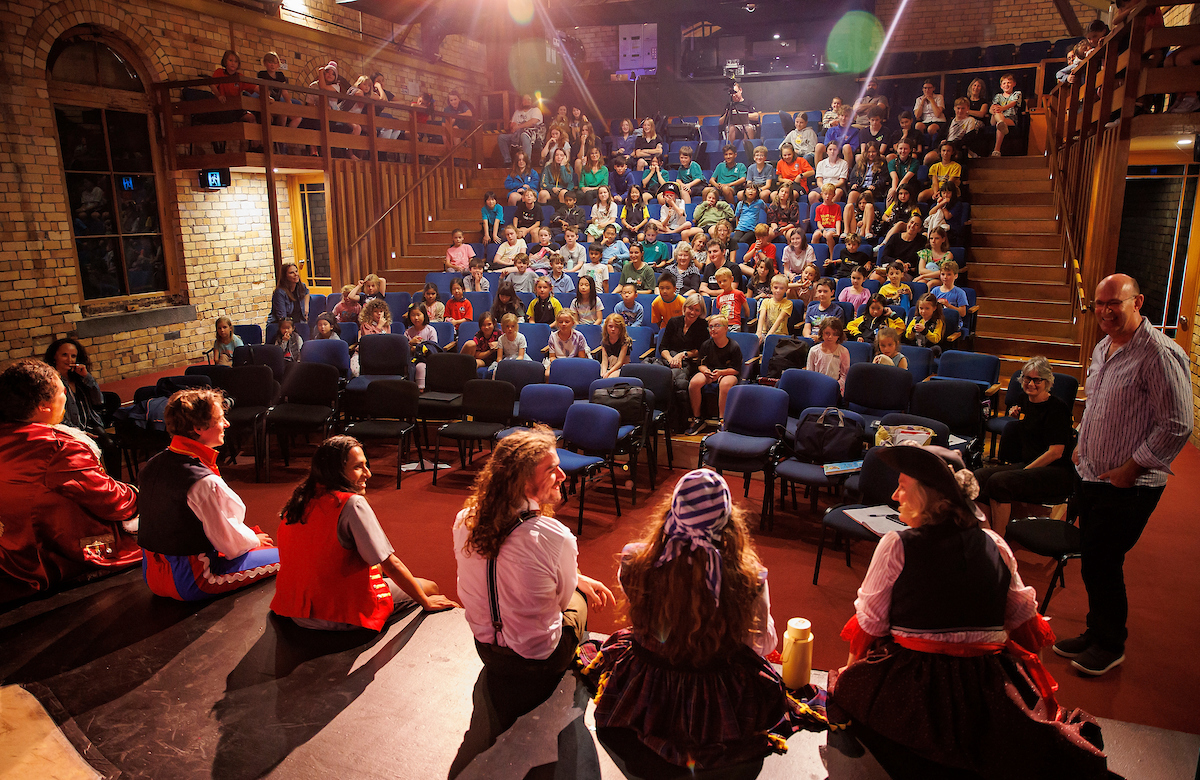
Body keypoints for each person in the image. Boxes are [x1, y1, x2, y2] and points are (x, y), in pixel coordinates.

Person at [828, 444, 1112, 779]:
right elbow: (1023, 622)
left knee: (850, 695)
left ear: (927, 495)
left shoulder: (896, 545)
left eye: (902, 486)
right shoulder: (996, 544)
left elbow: (870, 625)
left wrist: (849, 680)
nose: (894, 494)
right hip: (985, 687)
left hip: (912, 684)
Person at [579, 469, 826, 770]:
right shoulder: (749, 577)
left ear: (673, 512)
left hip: (648, 684)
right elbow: (761, 644)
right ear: (728, 521)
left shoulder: (634, 560)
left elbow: (646, 621)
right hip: (715, 693)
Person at [1053, 273, 1192, 676]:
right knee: (1095, 560)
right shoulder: (1103, 347)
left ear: (1138, 302)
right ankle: (1096, 632)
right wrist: (1082, 443)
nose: (1106, 311)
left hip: (1129, 484)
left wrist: (1132, 468)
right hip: (1093, 473)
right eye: (1099, 304)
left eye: (1115, 302)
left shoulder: (1159, 353)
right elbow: (1097, 404)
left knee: (1103, 559)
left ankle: (1111, 644)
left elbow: (1177, 424)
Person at [453, 427, 614, 726]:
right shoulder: (556, 536)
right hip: (540, 662)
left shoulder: (466, 518)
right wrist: (577, 580)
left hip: (485, 652)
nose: (563, 476)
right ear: (525, 482)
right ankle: (580, 661)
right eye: (552, 470)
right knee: (579, 599)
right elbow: (562, 601)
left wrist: (578, 576)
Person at [271, 436, 458, 630]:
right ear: (336, 471)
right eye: (358, 467)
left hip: (294, 611)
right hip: (337, 616)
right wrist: (425, 602)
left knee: (374, 571)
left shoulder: (301, 498)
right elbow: (391, 565)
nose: (368, 473)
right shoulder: (351, 503)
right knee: (430, 588)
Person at [0, 359, 139, 603]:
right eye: (62, 392)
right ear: (44, 406)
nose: (65, 396)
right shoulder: (58, 447)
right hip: (47, 556)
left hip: (9, 550)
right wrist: (137, 493)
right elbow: (111, 500)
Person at [138, 388, 280, 601]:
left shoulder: (153, 463)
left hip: (152, 576)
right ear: (198, 428)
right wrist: (255, 541)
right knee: (287, 556)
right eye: (221, 419)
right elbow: (230, 543)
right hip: (195, 580)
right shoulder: (203, 481)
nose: (226, 424)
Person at [973, 357, 1076, 537]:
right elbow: (1029, 427)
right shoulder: (1024, 400)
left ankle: (1000, 541)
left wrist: (1026, 471)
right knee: (979, 476)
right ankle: (987, 535)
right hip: (1030, 462)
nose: (1031, 383)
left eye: (1037, 380)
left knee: (999, 482)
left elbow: (1056, 452)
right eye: (1027, 379)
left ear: (1047, 382)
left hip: (1056, 471)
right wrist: (1016, 417)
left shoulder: (1058, 408)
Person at [686, 315, 743, 435]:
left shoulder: (734, 346)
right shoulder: (706, 345)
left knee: (725, 383)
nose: (713, 329)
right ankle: (698, 419)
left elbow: (736, 369)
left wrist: (721, 373)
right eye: (710, 326)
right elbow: (701, 364)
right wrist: (705, 370)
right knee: (694, 383)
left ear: (726, 328)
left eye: (717, 326)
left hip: (727, 373)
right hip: (711, 372)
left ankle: (722, 420)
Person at [497, 93, 544, 166]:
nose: (526, 101)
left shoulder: (535, 110)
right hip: (517, 135)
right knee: (501, 138)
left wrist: (519, 126)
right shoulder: (517, 112)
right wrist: (513, 126)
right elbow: (512, 125)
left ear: (532, 101)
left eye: (529, 99)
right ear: (521, 101)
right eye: (524, 99)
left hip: (532, 135)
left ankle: (527, 161)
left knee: (524, 135)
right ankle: (507, 160)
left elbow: (532, 122)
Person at [989, 74, 1022, 157]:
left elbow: (1013, 103)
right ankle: (1001, 122)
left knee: (1000, 125)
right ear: (1001, 86)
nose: (1006, 85)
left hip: (1010, 119)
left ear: (1014, 84)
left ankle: (996, 150)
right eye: (1004, 83)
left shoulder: (1016, 94)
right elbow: (993, 107)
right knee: (998, 117)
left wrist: (1002, 108)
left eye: (1009, 82)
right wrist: (992, 110)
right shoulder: (998, 96)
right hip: (996, 117)